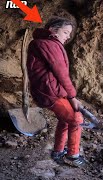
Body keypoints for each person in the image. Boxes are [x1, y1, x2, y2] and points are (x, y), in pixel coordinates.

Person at [27, 17, 86, 167]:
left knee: (65, 119)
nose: (67, 37)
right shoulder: (48, 44)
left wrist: (68, 94)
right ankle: (72, 155)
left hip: (52, 90)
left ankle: (58, 151)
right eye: (65, 32)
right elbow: (61, 73)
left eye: (69, 34)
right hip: (50, 92)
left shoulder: (46, 44)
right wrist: (72, 96)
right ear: (53, 29)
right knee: (76, 119)